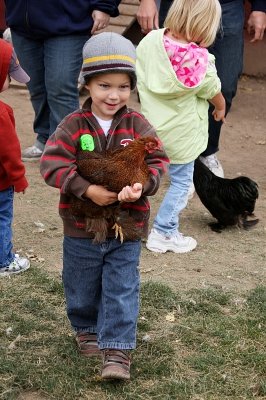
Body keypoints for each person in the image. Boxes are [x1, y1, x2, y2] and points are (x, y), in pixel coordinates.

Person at [40, 32, 169, 380]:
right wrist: (85, 189)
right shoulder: (72, 125)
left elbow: (159, 161)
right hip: (80, 224)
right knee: (80, 284)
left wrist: (143, 185)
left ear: (132, 88)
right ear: (88, 85)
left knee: (122, 285)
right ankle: (86, 327)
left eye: (123, 86)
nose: (114, 95)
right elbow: (51, 164)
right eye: (104, 85)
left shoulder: (138, 125)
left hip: (128, 223)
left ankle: (117, 350)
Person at [137, 0, 266, 177]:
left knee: (225, 86)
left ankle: (206, 152)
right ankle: (173, 158)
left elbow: (212, 88)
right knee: (172, 94)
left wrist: (260, 7)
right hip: (180, 4)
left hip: (226, 5)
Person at [136, 0, 226, 254]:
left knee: (143, 178)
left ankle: (130, 221)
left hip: (150, 129)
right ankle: (164, 231)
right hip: (182, 135)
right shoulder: (200, 60)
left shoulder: (150, 41)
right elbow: (213, 90)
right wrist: (220, 107)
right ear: (206, 24)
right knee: (182, 183)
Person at [4, 0, 120, 161]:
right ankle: (45, 138)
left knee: (60, 87)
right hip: (21, 21)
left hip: (69, 22)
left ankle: (68, 146)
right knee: (35, 86)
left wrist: (104, 5)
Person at [0, 38, 30, 277]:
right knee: (1, 217)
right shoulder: (2, 112)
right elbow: (9, 151)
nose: (10, 81)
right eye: (8, 75)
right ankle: (4, 260)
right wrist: (18, 178)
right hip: (1, 183)